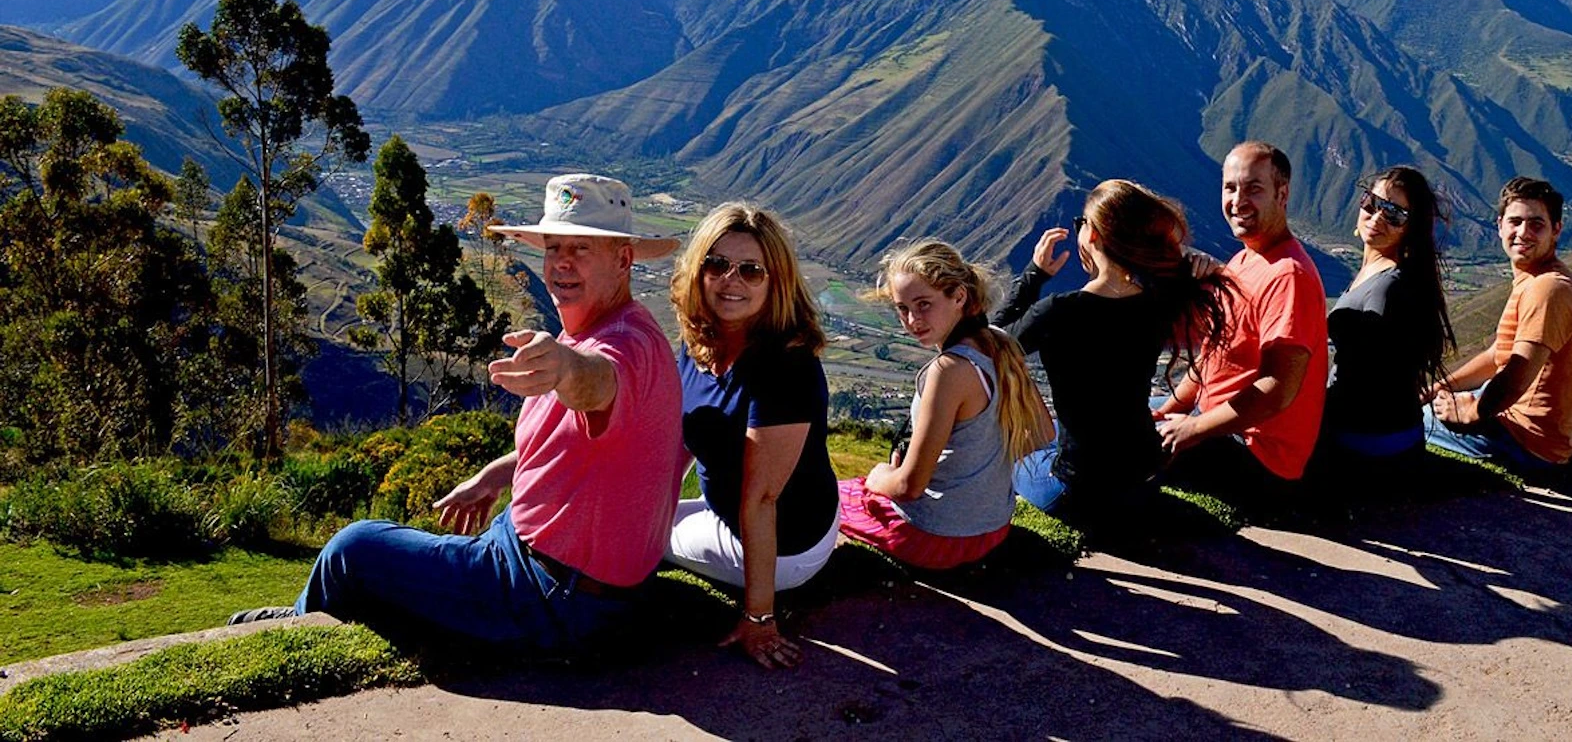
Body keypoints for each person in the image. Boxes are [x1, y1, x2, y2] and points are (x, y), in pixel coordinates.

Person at [230, 174, 683, 650]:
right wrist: (496, 475)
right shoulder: (605, 325)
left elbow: (598, 383)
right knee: (394, 559)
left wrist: (566, 369)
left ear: (624, 259)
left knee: (354, 548)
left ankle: (302, 627)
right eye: (554, 247)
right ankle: (322, 609)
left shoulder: (629, 347)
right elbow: (591, 445)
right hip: (538, 560)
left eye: (583, 249)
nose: (562, 263)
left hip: (554, 597)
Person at [991, 179, 1235, 518]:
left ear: (1092, 235)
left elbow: (991, 344)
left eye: (1081, 224)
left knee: (1020, 458)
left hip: (1081, 491)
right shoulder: (1159, 302)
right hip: (1143, 478)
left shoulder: (1057, 311)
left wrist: (1034, 275)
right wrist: (1198, 265)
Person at [666, 203, 839, 670]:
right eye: (717, 264)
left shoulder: (786, 367)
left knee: (642, 538)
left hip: (787, 542)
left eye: (751, 270)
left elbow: (762, 499)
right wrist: (656, 500)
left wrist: (759, 618)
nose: (731, 280)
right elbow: (687, 431)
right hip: (737, 511)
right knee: (640, 519)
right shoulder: (701, 339)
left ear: (776, 280)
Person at [838, 241, 1053, 567]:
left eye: (924, 304)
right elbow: (1042, 434)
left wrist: (879, 475)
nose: (912, 320)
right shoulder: (999, 342)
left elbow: (909, 487)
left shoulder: (947, 371)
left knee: (831, 495)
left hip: (939, 539)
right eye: (902, 308)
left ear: (959, 297)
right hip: (993, 528)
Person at [1153, 142, 1328, 504]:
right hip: (1219, 422)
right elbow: (1212, 358)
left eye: (1254, 189)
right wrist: (1170, 411)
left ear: (1282, 194)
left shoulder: (1288, 276)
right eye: (1230, 188)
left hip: (1258, 455)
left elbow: (1277, 388)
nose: (1238, 200)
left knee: (1111, 452)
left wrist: (1192, 429)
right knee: (1127, 417)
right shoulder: (1245, 259)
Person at [1424, 176, 1572, 472]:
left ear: (1556, 230)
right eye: (1515, 222)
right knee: (1431, 401)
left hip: (1529, 443)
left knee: (1404, 420)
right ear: (1499, 225)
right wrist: (1440, 387)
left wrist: (1471, 412)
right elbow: (1498, 356)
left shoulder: (1548, 289)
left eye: (1536, 224)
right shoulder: (1534, 278)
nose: (1523, 233)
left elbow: (1516, 377)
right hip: (1544, 433)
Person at [1320, 167, 1456, 464]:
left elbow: (1366, 382)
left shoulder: (1388, 288)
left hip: (1368, 443)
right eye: (1373, 203)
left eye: (1394, 214)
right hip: (1393, 437)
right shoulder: (1387, 273)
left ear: (1411, 228)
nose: (1378, 217)